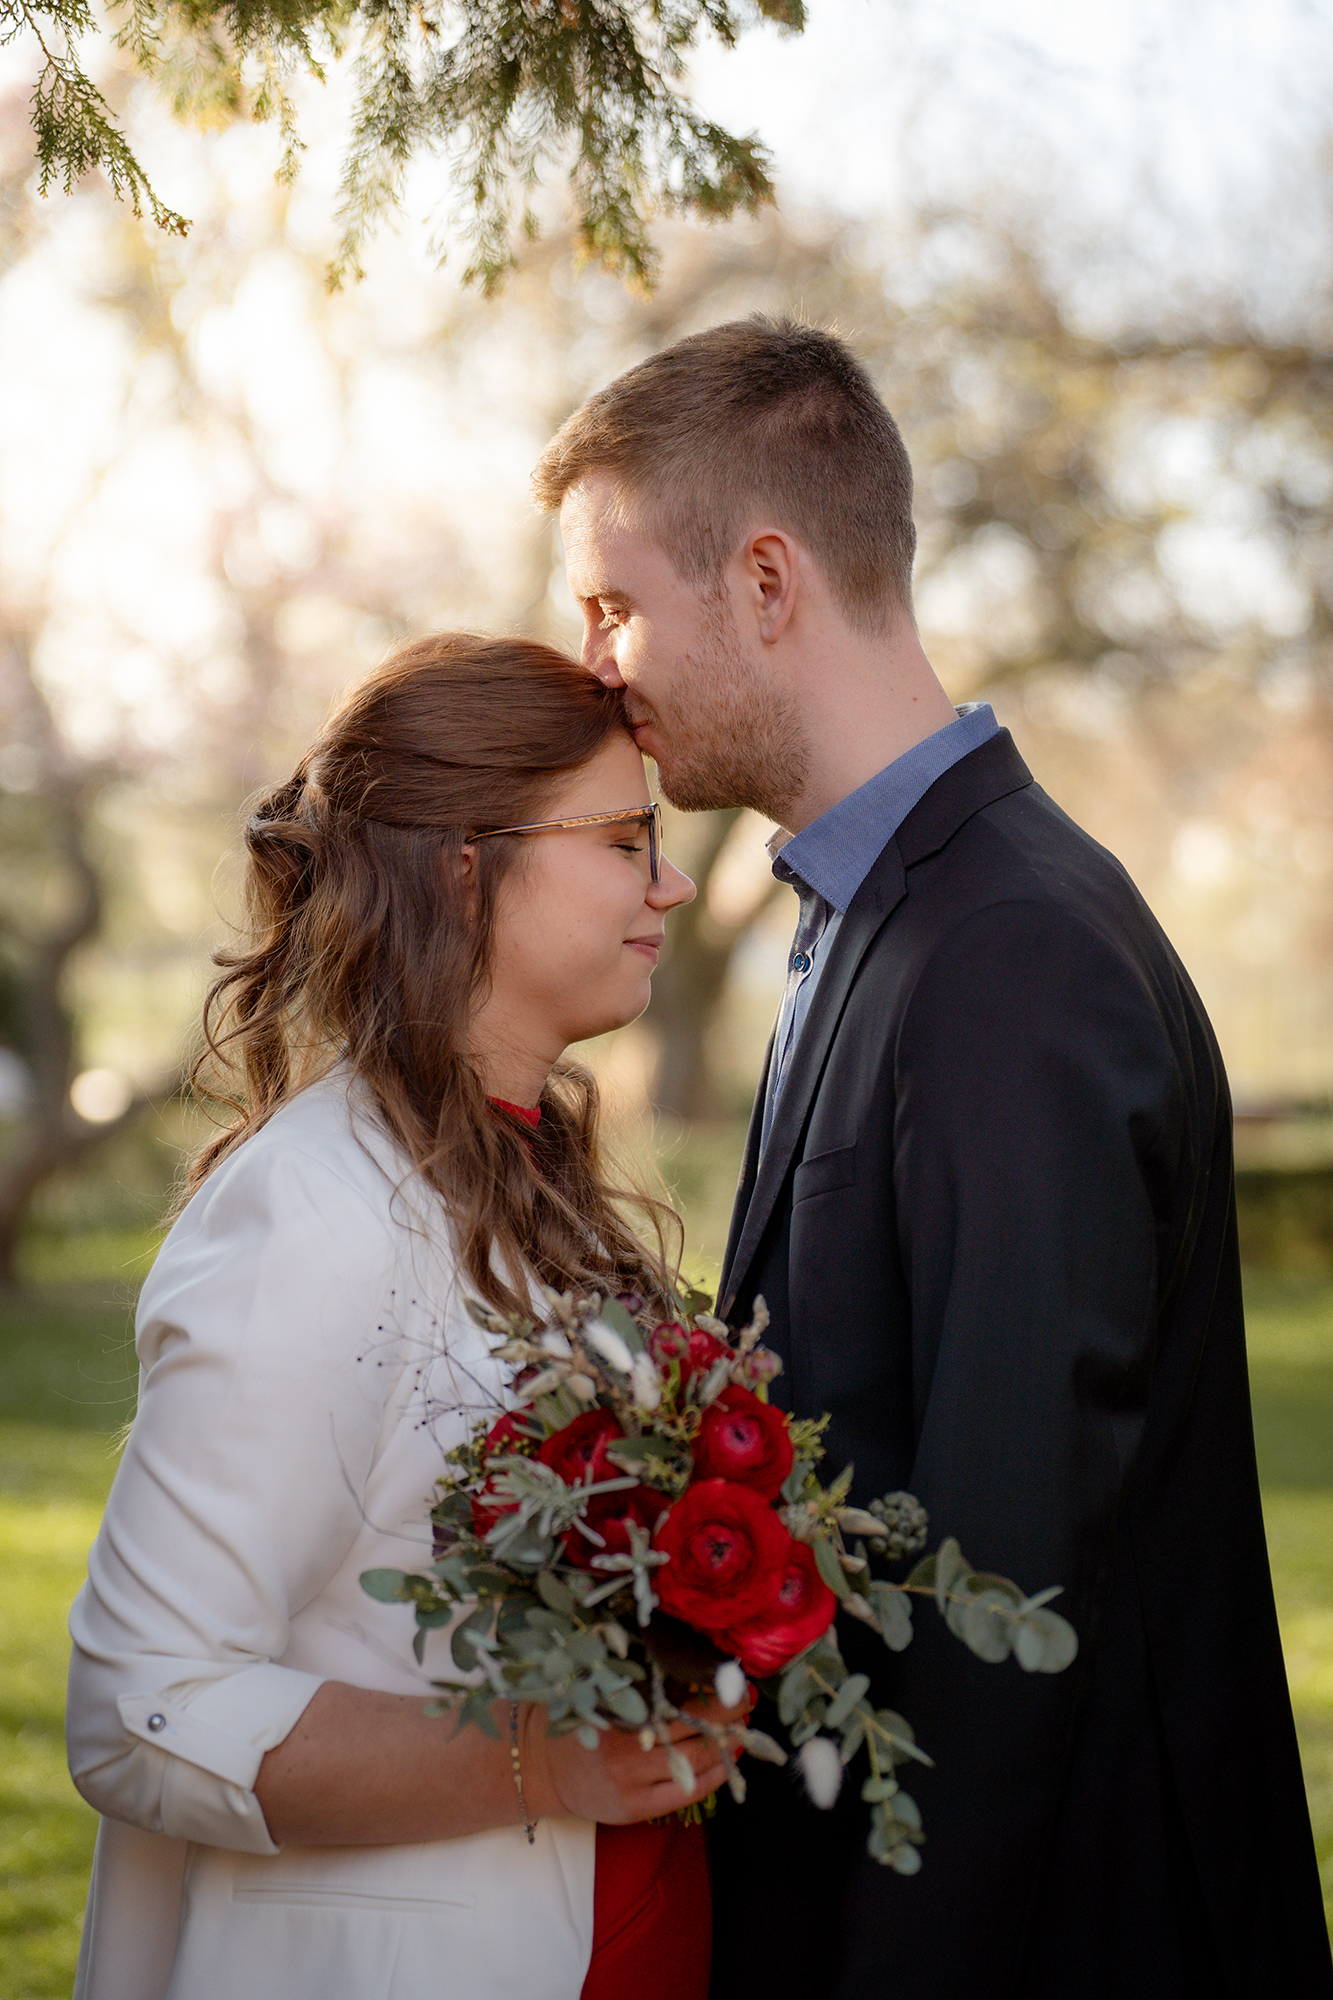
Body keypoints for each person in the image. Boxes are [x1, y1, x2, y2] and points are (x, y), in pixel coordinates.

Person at [534, 319, 1333, 1999]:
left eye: (610, 604)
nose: (589, 657)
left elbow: (1008, 1586)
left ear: (765, 580)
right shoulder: (886, 913)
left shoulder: (1006, 956)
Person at [65, 632, 739, 2000]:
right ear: (462, 864)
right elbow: (143, 1711)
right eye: (623, 838)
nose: (669, 881)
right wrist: (539, 1758)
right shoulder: (306, 1216)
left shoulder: (533, 1170)